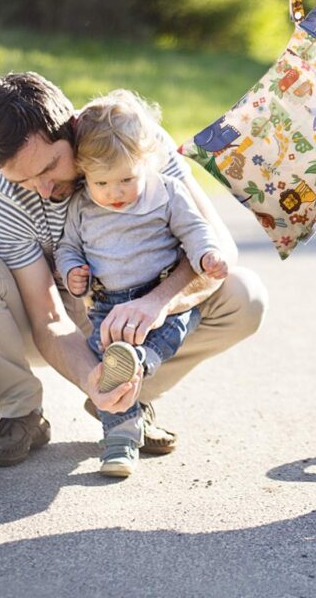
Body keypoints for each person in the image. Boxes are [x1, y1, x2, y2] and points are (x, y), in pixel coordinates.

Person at [0, 72, 267, 469]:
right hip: (48, 318)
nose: (42, 188)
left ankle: (125, 401)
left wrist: (157, 303)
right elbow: (48, 317)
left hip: (140, 313)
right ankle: (22, 414)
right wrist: (89, 375)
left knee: (244, 296)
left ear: (71, 128)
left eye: (49, 167)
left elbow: (219, 246)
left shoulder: (128, 137)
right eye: (23, 180)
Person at [54, 89, 231, 477]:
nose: (114, 193)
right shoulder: (82, 205)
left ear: (146, 161)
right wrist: (73, 272)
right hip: (107, 305)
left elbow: (195, 231)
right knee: (106, 369)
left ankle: (140, 361)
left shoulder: (167, 193)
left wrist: (207, 257)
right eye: (102, 183)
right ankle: (118, 445)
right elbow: (68, 247)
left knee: (167, 333)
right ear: (84, 172)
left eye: (126, 179)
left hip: (162, 293)